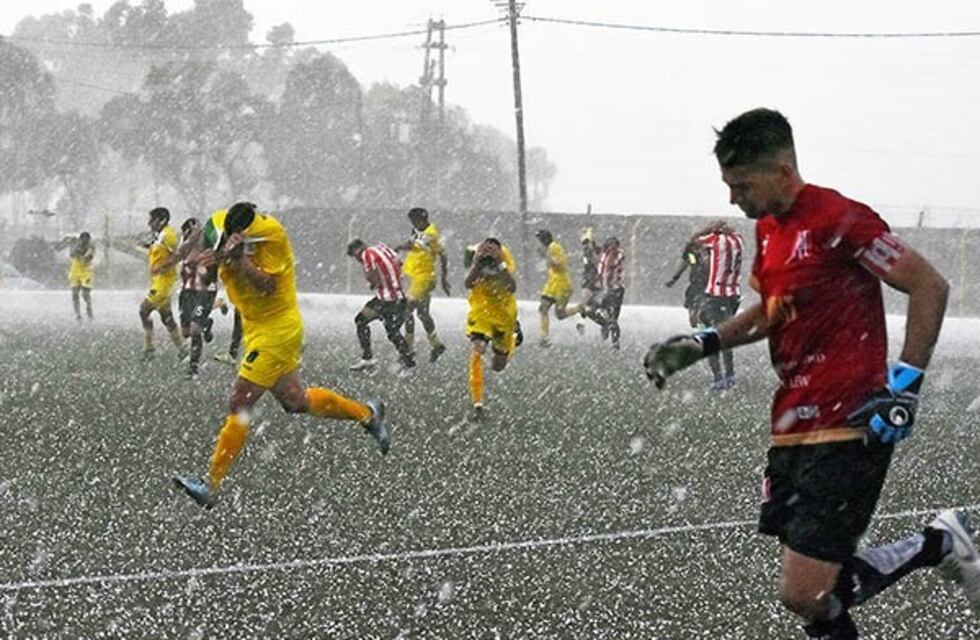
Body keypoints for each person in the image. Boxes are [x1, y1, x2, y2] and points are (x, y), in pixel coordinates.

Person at [644, 108, 978, 638]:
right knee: (815, 600)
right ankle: (938, 543)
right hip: (793, 423)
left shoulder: (836, 217)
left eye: (741, 185)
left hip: (850, 417)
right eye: (728, 186)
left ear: (781, 169)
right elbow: (775, 311)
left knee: (805, 592)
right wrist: (704, 343)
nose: (734, 199)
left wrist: (905, 386)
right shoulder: (771, 233)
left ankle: (936, 544)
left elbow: (928, 285)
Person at [174, 202, 390, 509]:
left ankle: (211, 485)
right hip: (256, 329)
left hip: (278, 328)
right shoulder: (219, 227)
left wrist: (240, 259)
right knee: (295, 401)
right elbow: (209, 276)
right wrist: (212, 260)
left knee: (240, 401)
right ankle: (367, 415)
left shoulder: (272, 235)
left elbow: (267, 284)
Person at [667, 221, 744, 389]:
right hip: (733, 296)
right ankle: (730, 377)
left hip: (715, 296)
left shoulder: (715, 242)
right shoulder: (738, 241)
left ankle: (718, 379)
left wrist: (708, 228)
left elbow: (693, 240)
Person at [464, 237, 519, 420]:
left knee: (498, 365)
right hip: (482, 310)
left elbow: (512, 287)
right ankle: (478, 403)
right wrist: (476, 265)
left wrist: (501, 266)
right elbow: (468, 283)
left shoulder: (505, 258)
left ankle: (512, 337)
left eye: (493, 251)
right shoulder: (475, 255)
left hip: (504, 313)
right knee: (478, 348)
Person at [346, 239, 416, 373]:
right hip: (399, 297)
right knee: (392, 332)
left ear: (357, 250)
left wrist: (373, 282)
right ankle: (409, 363)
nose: (358, 261)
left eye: (356, 258)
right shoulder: (383, 247)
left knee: (361, 321)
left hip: (386, 300)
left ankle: (369, 359)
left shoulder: (366, 253)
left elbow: (371, 275)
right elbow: (399, 263)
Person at [396, 207, 449, 362]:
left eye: (414, 221)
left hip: (423, 279)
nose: (413, 224)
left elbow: (414, 245)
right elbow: (443, 254)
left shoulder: (430, 234)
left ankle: (408, 348)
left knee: (406, 310)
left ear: (422, 220)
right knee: (423, 313)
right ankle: (436, 344)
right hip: (418, 278)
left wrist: (398, 247)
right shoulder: (420, 231)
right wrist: (444, 278)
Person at [138, 207, 186, 361]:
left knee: (144, 310)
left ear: (162, 220)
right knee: (167, 317)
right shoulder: (161, 235)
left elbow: (180, 255)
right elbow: (161, 251)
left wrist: (163, 266)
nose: (149, 223)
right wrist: (148, 247)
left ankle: (149, 347)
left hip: (164, 284)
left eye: (152, 220)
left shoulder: (169, 235)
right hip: (159, 281)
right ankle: (183, 349)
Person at [177, 218, 219, 379]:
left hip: (205, 292)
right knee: (186, 332)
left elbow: (215, 268)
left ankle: (193, 368)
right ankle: (206, 323)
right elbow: (180, 254)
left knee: (194, 330)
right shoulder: (186, 246)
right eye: (187, 232)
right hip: (187, 292)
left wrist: (207, 273)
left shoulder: (209, 245)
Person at [535, 229, 577, 347]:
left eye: (539, 240)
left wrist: (547, 257)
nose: (538, 244)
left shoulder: (555, 248)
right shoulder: (550, 249)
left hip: (562, 285)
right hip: (553, 284)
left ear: (544, 240)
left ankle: (580, 309)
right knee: (543, 308)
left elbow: (561, 265)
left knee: (560, 314)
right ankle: (544, 337)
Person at [594, 236, 626, 349]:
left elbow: (612, 265)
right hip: (605, 288)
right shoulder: (604, 255)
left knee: (614, 316)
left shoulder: (617, 255)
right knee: (600, 310)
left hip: (615, 289)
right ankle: (606, 326)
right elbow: (601, 269)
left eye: (615, 245)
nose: (613, 248)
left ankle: (615, 341)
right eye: (610, 245)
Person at [574, 226, 602, 335]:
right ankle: (581, 322)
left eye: (586, 243)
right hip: (589, 280)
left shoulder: (594, 251)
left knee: (590, 304)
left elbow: (597, 263)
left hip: (594, 280)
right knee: (585, 303)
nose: (585, 245)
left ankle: (603, 322)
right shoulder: (586, 252)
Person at [67, 231, 95, 321]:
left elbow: (89, 256)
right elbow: (72, 254)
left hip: (86, 272)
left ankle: (89, 312)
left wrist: (83, 253)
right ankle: (78, 315)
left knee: (85, 295)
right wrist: (77, 251)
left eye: (87, 239)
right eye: (83, 239)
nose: (85, 241)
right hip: (75, 271)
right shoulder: (76, 246)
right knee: (75, 294)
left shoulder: (91, 247)